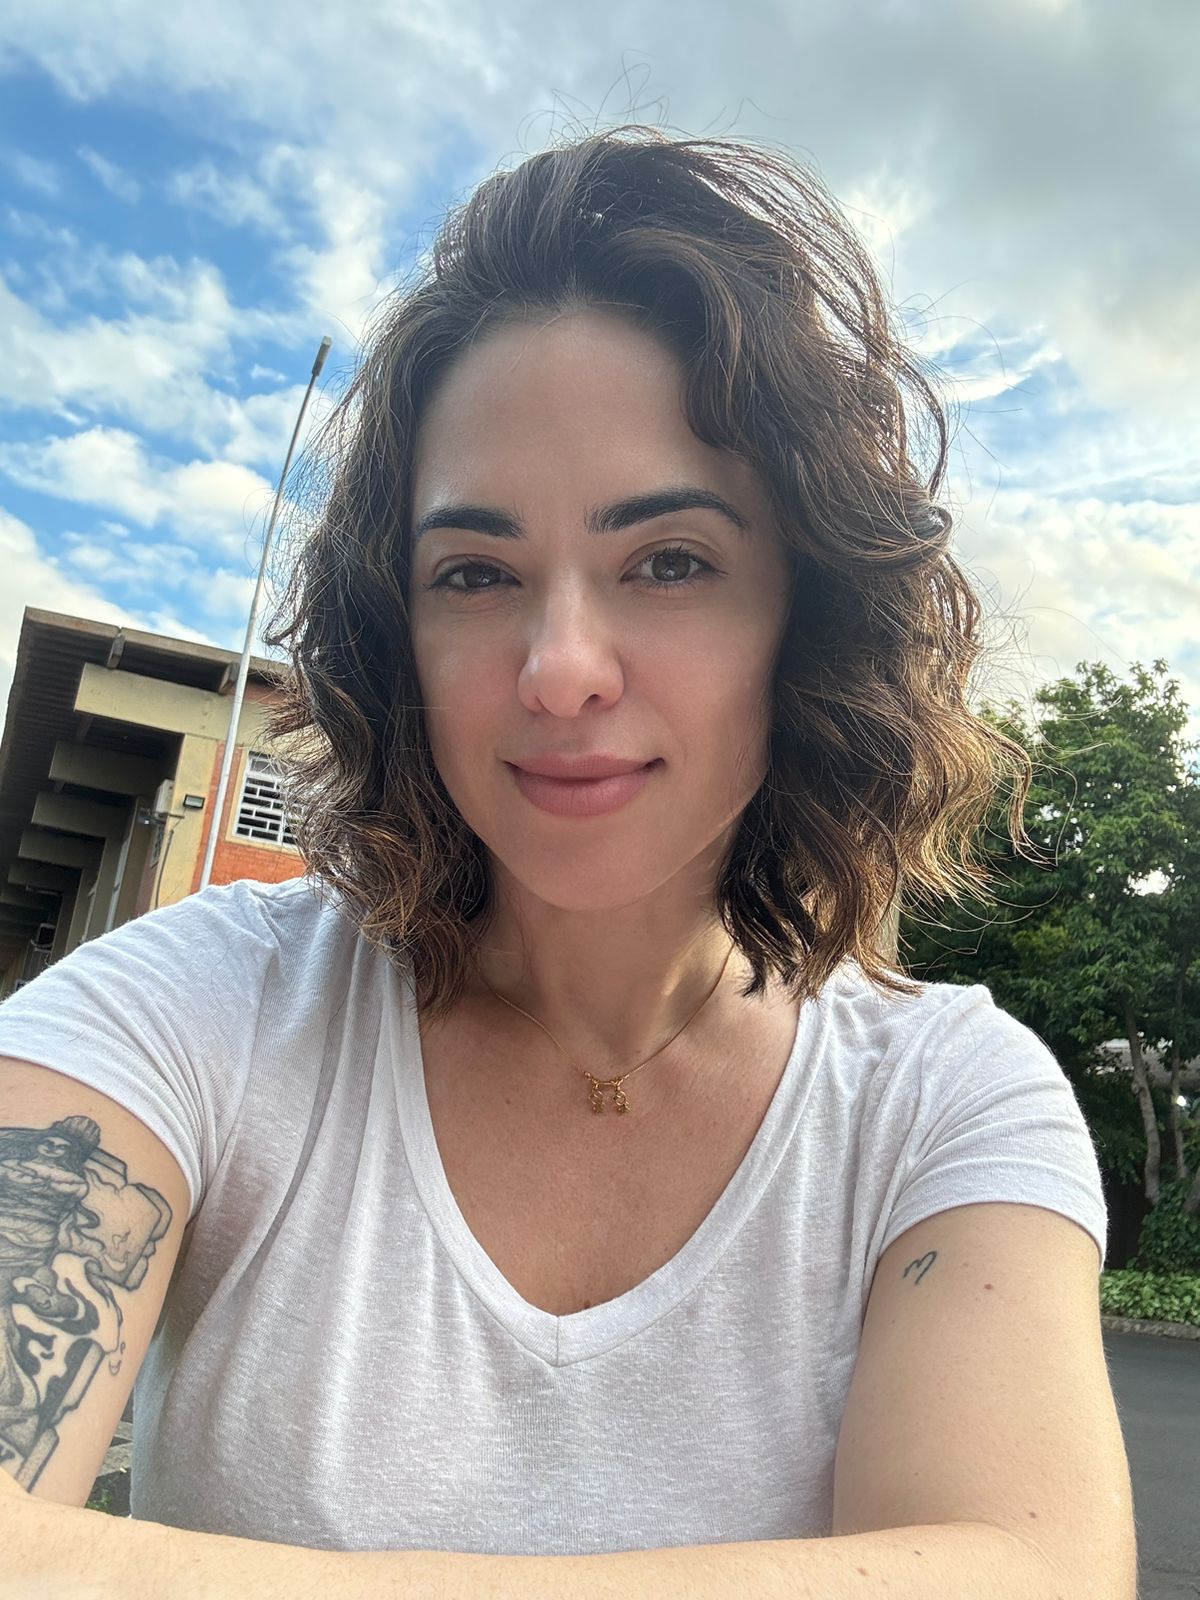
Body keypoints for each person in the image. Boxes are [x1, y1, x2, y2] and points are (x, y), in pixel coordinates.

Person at [0, 125, 1136, 1597]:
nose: (559, 670)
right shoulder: (187, 1014)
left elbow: (1033, 1567)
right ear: (397, 637)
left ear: (806, 617)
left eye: (669, 561)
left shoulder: (945, 1099)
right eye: (475, 573)